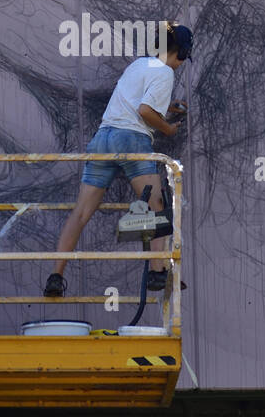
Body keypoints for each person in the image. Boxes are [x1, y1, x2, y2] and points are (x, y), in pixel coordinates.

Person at [45, 22, 192, 297]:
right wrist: (169, 128)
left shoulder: (140, 65)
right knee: (156, 207)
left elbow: (131, 99)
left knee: (80, 212)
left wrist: (167, 106)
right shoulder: (166, 73)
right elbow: (146, 111)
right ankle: (158, 272)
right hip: (131, 139)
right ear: (181, 53)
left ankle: (56, 275)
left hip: (103, 139)